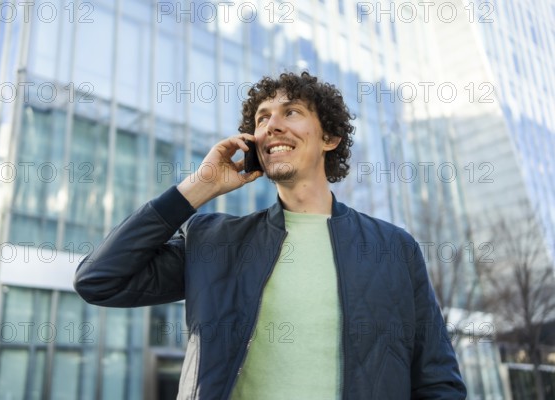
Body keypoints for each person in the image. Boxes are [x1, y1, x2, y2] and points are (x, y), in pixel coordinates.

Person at [74, 71, 467, 399]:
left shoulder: (393, 248)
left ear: (329, 139)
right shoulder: (215, 242)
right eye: (262, 118)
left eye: (291, 112)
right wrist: (199, 187)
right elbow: (100, 280)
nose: (272, 125)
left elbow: (438, 382)